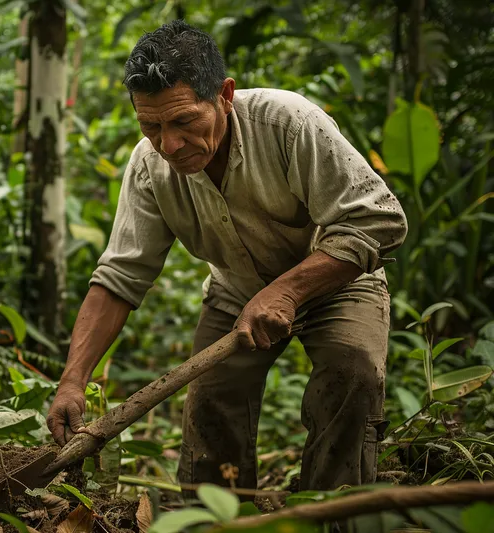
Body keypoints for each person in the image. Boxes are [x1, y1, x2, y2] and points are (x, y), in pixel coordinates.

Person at [45, 19, 407, 494]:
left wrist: (287, 290)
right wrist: (73, 380)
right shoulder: (150, 166)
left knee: (351, 376)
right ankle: (217, 521)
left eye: (183, 121)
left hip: (339, 280)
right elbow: (119, 277)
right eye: (150, 126)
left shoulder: (288, 123)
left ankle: (329, 514)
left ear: (225, 95)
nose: (168, 144)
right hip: (236, 292)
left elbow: (380, 220)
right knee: (213, 405)